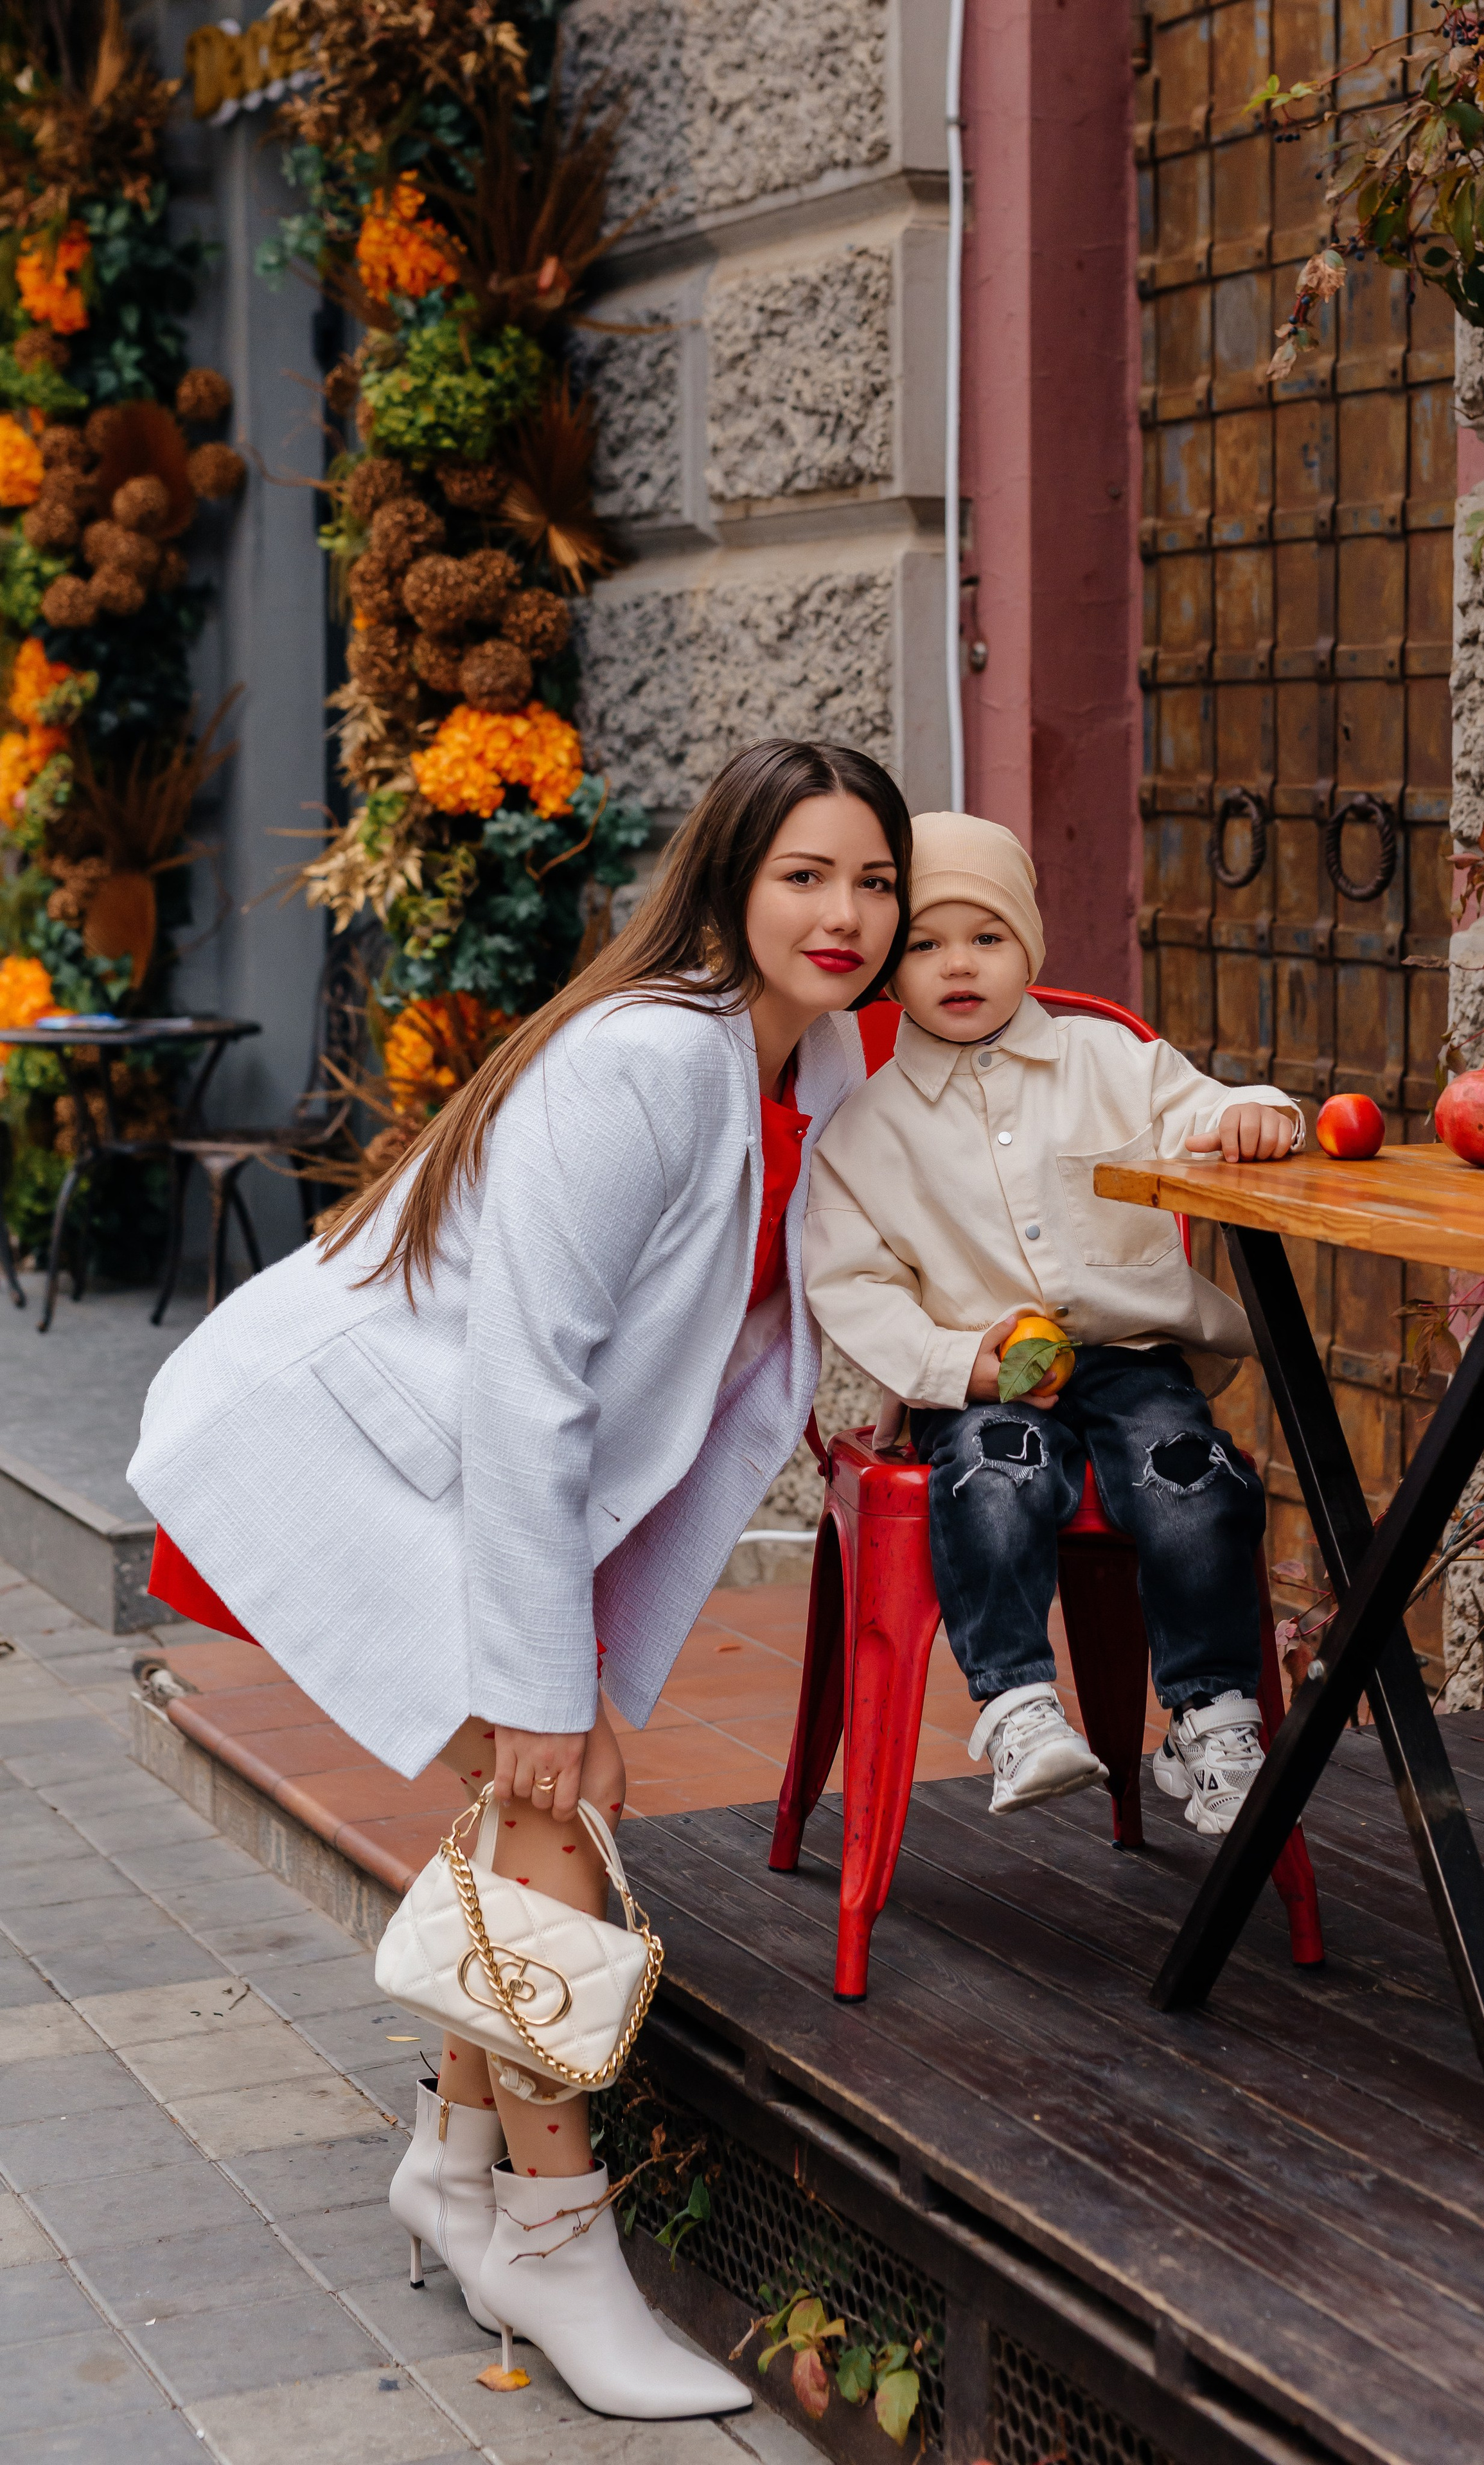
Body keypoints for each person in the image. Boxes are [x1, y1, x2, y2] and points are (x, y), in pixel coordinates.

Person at [127, 739, 911, 2418]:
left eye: (874, 879)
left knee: (541, 1799)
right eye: (806, 874)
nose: (847, 912)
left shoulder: (823, 1066)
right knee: (550, 1799)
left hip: (486, 1470)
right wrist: (547, 1680)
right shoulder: (644, 1057)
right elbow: (528, 1379)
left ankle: (448, 2157)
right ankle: (555, 2236)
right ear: (729, 880)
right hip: (386, 1447)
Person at [802, 810, 1302, 1837]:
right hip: (983, 1381)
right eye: (927, 944)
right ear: (889, 971)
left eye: (986, 938)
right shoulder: (869, 1124)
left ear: (1028, 944)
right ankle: (1017, 1703)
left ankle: (1212, 1715)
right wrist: (959, 1364)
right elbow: (850, 1282)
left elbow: (1210, 1108)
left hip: (1130, 1362)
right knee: (999, 1474)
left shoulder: (1108, 1060)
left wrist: (1262, 1115)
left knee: (1192, 1477)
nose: (959, 966)